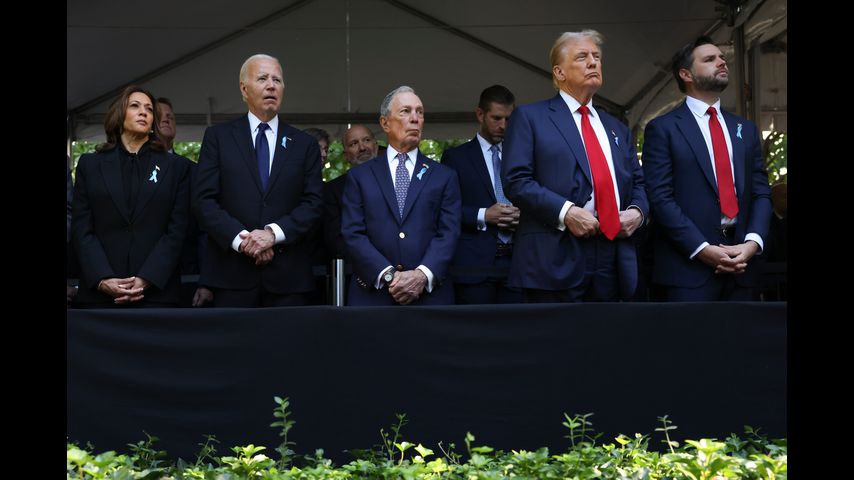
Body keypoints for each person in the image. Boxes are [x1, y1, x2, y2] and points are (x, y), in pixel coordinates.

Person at [503, 30, 648, 302]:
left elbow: (639, 182)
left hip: (614, 254)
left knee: (609, 340)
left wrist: (637, 213)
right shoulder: (530, 117)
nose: (593, 62)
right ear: (559, 72)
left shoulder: (616, 127)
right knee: (558, 342)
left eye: (597, 57)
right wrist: (567, 212)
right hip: (555, 254)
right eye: (582, 57)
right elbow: (516, 180)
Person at [641, 36, 771, 301]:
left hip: (743, 268)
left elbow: (761, 193)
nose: (722, 62)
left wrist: (752, 243)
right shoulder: (663, 129)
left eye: (722, 58)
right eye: (710, 59)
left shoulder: (745, 129)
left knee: (742, 343)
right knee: (692, 343)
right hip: (688, 270)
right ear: (686, 74)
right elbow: (660, 198)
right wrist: (702, 249)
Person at [193, 53, 323, 307]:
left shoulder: (304, 145)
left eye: (277, 80)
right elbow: (203, 200)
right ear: (244, 89)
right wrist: (244, 241)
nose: (271, 85)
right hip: (231, 276)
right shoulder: (218, 138)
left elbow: (314, 203)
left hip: (289, 280)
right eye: (262, 78)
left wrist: (272, 235)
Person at [71, 85, 191, 307]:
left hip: (157, 293)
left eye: (149, 109)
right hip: (101, 295)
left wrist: (148, 278)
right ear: (119, 115)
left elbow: (177, 231)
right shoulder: (90, 165)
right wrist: (101, 278)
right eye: (135, 106)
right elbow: (82, 228)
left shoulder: (177, 167)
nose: (143, 112)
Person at [341, 86, 461, 305]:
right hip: (374, 297)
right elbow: (352, 233)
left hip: (430, 298)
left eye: (420, 112)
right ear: (385, 123)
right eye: (405, 111)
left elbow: (449, 233)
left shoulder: (444, 176)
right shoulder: (360, 176)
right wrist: (389, 276)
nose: (415, 118)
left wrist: (421, 276)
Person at [442, 85, 522, 304]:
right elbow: (446, 211)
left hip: (519, 263)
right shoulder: (456, 158)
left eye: (508, 119)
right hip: (473, 266)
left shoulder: (523, 157)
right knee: (474, 334)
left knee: (519, 332)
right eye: (496, 118)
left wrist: (522, 216)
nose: (503, 125)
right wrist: (483, 215)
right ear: (480, 114)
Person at [157, 96, 214, 307]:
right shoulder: (131, 169)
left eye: (170, 117)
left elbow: (205, 229)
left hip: (186, 275)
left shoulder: (192, 170)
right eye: (160, 116)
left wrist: (206, 279)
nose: (166, 120)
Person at [323, 124, 378, 258]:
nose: (362, 148)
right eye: (354, 143)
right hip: (354, 269)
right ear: (345, 155)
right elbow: (335, 240)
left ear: (376, 146)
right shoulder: (332, 191)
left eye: (366, 140)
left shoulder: (397, 182)